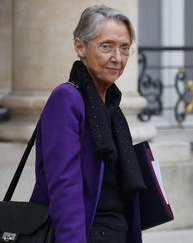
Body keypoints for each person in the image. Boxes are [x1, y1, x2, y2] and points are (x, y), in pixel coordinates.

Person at [29, 5, 146, 243]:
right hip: (88, 234)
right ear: (80, 46)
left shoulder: (112, 105)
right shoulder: (67, 99)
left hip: (117, 232)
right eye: (106, 46)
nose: (117, 58)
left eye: (124, 48)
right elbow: (64, 187)